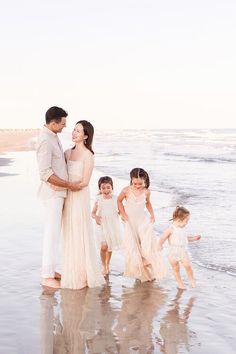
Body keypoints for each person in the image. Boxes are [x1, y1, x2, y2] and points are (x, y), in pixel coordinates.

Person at [36, 106, 81, 289]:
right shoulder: (45, 140)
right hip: (53, 194)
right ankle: (47, 277)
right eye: (62, 123)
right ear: (53, 123)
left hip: (58, 193)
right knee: (51, 234)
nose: (64, 127)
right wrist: (70, 185)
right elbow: (44, 173)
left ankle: (50, 270)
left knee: (55, 233)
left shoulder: (52, 136)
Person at [61, 120, 105, 289]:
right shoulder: (67, 153)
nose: (74, 133)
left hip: (79, 197)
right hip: (68, 196)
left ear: (86, 136)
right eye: (74, 129)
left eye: (78, 131)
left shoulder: (88, 155)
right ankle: (70, 270)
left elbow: (85, 182)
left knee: (79, 231)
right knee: (68, 232)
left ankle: (82, 274)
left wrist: (68, 185)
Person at [117, 167, 166, 282]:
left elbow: (148, 203)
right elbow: (119, 201)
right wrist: (123, 213)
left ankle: (146, 265)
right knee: (134, 244)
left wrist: (152, 214)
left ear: (144, 181)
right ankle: (141, 272)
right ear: (131, 180)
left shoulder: (146, 192)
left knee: (145, 242)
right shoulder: (126, 190)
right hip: (129, 220)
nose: (137, 186)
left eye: (140, 183)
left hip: (142, 220)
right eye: (135, 183)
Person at [158, 206, 201, 289]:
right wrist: (160, 245)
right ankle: (180, 284)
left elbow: (185, 238)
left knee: (187, 266)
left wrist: (194, 238)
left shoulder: (183, 228)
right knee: (176, 269)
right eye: (186, 221)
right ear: (179, 219)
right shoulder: (171, 229)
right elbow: (163, 237)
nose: (186, 223)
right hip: (172, 252)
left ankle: (192, 281)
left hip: (182, 251)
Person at [91, 176, 122, 276]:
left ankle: (107, 264)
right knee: (103, 246)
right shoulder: (98, 199)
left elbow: (120, 211)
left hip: (112, 226)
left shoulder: (116, 199)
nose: (106, 190)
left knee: (109, 246)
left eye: (108, 187)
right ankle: (103, 265)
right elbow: (92, 213)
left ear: (112, 187)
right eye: (103, 188)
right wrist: (96, 217)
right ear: (100, 189)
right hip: (102, 225)